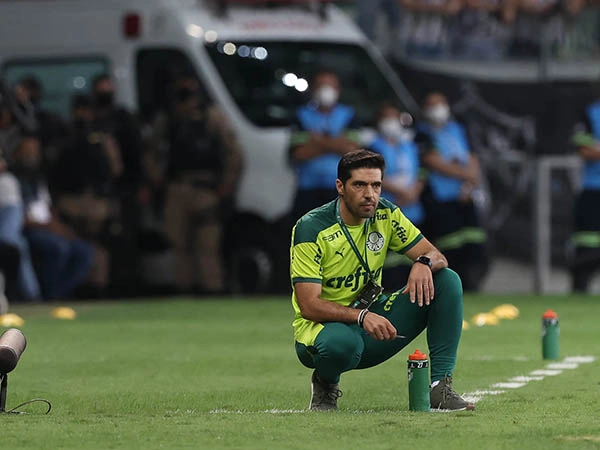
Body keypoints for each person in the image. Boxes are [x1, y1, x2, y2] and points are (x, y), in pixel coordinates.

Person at [290, 149, 474, 412]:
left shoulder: (386, 213)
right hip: (325, 332)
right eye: (360, 185)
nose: (370, 194)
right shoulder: (311, 228)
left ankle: (440, 388)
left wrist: (423, 262)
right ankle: (325, 384)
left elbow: (436, 255)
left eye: (376, 185)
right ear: (340, 187)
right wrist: (362, 317)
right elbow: (308, 305)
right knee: (341, 345)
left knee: (446, 280)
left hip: (374, 322)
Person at [149, 74, 243, 295]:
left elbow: (232, 153)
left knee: (208, 245)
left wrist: (226, 184)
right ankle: (185, 290)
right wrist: (156, 179)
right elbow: (152, 152)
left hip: (206, 188)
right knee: (179, 244)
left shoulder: (212, 117)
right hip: (177, 187)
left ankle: (213, 290)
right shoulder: (167, 119)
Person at [416, 92, 488, 292]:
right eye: (431, 104)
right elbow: (434, 162)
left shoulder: (458, 129)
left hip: (465, 197)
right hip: (440, 199)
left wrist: (468, 183)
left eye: (439, 103)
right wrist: (465, 174)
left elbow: (472, 158)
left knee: (474, 243)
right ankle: (450, 288)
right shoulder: (422, 133)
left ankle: (473, 286)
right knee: (449, 246)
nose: (436, 109)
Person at [12, 134, 94, 300]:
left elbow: (49, 208)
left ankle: (61, 295)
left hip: (48, 227)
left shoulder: (37, 178)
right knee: (58, 248)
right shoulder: (11, 180)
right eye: (27, 151)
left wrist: (61, 228)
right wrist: (48, 227)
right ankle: (49, 297)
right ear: (17, 153)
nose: (32, 155)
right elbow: (16, 218)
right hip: (28, 230)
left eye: (35, 151)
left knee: (84, 251)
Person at [288, 70, 361, 222]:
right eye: (321, 85)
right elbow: (299, 153)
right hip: (308, 189)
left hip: (340, 190)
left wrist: (317, 140)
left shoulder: (349, 115)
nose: (326, 90)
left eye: (330, 85)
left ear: (338, 89)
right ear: (313, 89)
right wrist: (337, 142)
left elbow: (352, 151)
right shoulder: (301, 115)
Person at [368, 103, 427, 292]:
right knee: (389, 259)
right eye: (386, 118)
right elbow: (370, 175)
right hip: (385, 209)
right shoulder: (372, 147)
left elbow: (421, 172)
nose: (391, 123)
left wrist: (414, 192)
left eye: (394, 117)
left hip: (412, 209)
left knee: (413, 253)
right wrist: (401, 192)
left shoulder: (408, 146)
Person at [570, 94, 600, 292]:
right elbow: (583, 149)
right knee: (587, 249)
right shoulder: (591, 113)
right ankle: (579, 291)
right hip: (594, 190)